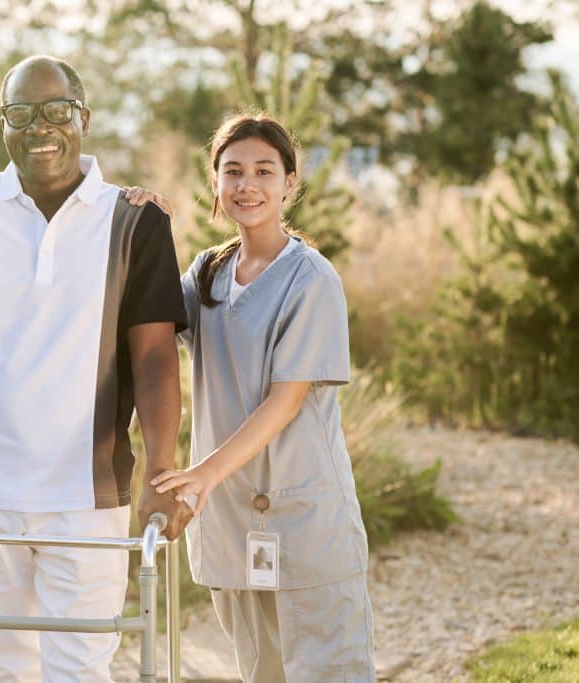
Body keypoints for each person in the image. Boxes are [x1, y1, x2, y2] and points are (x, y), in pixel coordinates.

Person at [0, 54, 193, 682]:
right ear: (3, 124)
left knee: (79, 667)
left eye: (56, 110)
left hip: (89, 495)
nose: (39, 126)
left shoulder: (136, 220)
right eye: (20, 113)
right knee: (7, 665)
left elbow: (157, 354)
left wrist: (161, 467)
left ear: (83, 116)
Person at [130, 112, 375, 682]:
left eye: (265, 171)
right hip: (233, 526)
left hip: (305, 520)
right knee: (259, 674)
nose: (247, 185)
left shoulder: (311, 281)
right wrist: (142, 228)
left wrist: (201, 476)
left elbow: (285, 403)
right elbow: (148, 322)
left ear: (290, 182)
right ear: (214, 182)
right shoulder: (209, 273)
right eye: (233, 171)